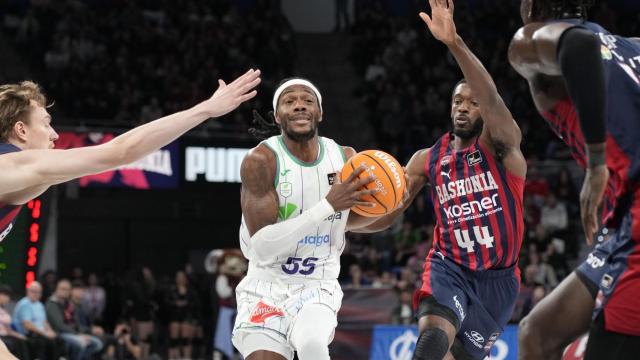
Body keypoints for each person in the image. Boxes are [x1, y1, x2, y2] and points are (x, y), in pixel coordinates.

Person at [358, 1, 526, 358]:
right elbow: (391, 211)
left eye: (472, 102)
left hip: (498, 281)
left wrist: (455, 44)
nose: (463, 107)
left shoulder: (502, 149)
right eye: (457, 101)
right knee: (432, 341)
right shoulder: (426, 159)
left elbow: (492, 97)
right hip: (448, 266)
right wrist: (342, 223)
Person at [508, 0, 640, 358]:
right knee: (536, 333)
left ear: (531, 7)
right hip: (622, 222)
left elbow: (577, 46)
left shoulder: (529, 40)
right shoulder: (629, 46)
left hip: (636, 215)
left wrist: (597, 163)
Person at [0, 69, 260, 242]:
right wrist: (204, 110)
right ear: (21, 130)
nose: (55, 134)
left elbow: (121, 154)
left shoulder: (27, 178)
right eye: (46, 123)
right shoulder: (13, 165)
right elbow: (120, 152)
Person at [232, 77, 384, 360]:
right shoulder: (261, 161)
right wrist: (327, 205)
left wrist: (402, 197)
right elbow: (263, 248)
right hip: (266, 283)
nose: (299, 106)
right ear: (278, 116)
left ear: (320, 112)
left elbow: (361, 221)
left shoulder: (345, 158)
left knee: (313, 346)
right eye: (289, 102)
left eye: (307, 101)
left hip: (317, 284)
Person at [46, 279, 103, 360]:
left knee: (97, 344)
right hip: (58, 334)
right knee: (81, 343)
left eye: (67, 289)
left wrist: (85, 332)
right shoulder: (52, 303)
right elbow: (59, 326)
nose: (65, 291)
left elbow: (76, 324)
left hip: (72, 333)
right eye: (62, 289)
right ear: (56, 289)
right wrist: (77, 334)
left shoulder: (69, 304)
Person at [13, 281, 65, 360]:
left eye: (38, 292)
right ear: (27, 291)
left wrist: (50, 331)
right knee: (45, 342)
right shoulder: (24, 304)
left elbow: (44, 321)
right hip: (28, 334)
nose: (35, 294)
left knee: (58, 339)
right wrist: (45, 333)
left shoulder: (39, 304)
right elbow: (27, 325)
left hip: (41, 332)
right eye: (33, 291)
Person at [0, 285, 29, 360]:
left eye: (8, 296)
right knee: (14, 343)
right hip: (2, 337)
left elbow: (8, 329)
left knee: (22, 341)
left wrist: (18, 335)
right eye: (5, 295)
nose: (7, 298)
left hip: (6, 335)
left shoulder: (4, 310)